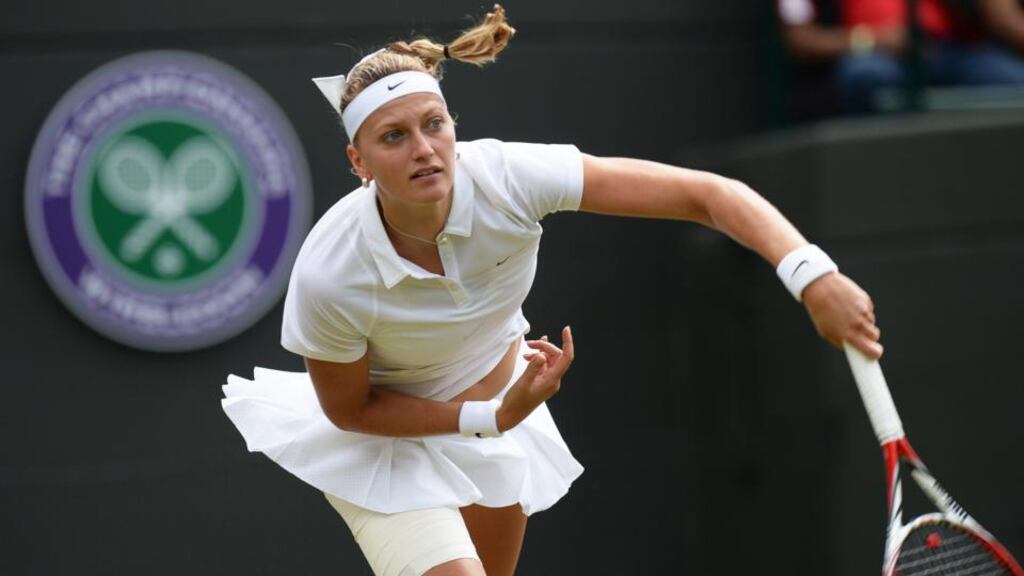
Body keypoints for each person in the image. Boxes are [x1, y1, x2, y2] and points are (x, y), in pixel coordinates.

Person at [222, 5, 882, 576]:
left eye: (434, 125)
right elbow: (351, 410)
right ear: (358, 163)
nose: (424, 149)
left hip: (499, 407)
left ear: (455, 123)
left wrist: (812, 275)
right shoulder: (330, 272)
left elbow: (705, 194)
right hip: (385, 442)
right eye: (394, 137)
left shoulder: (512, 176)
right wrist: (489, 417)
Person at [777, 0, 1024, 116]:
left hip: (945, 49)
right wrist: (873, 39)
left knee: (1013, 81)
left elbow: (998, 18)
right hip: (873, 56)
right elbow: (800, 40)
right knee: (864, 77)